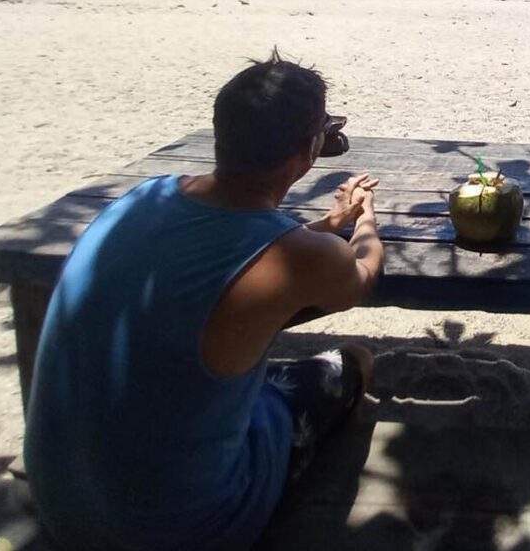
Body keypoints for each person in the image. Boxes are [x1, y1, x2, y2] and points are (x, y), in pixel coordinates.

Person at [24, 53, 385, 550]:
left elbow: (234, 251)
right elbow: (362, 274)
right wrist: (364, 217)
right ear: (308, 150)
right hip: (186, 530)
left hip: (63, 503)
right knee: (354, 362)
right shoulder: (298, 256)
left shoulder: (144, 197)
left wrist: (326, 225)